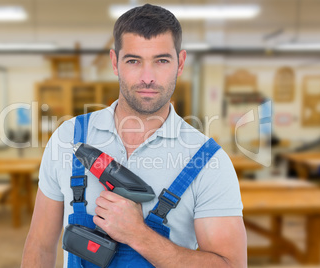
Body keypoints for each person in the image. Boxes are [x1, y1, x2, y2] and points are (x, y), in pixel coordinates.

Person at [22, 3, 247, 268]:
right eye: (133, 61)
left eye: (161, 60)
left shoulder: (208, 161)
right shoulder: (68, 137)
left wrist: (138, 234)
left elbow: (231, 265)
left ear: (181, 63)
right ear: (115, 63)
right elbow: (39, 247)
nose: (148, 77)